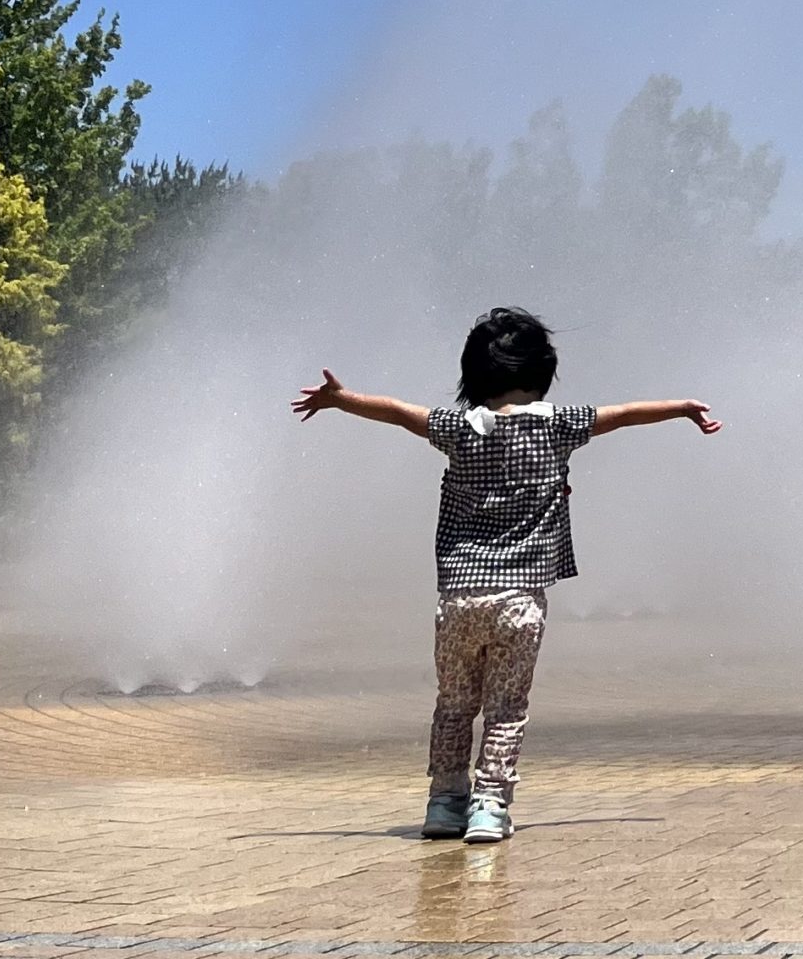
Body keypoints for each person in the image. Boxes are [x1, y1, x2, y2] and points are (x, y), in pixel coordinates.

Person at [291, 304, 720, 843]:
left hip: (459, 599)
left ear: (472, 376)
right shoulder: (560, 425)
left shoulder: (458, 428)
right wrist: (682, 408)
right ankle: (490, 806)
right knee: (506, 710)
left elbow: (399, 411)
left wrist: (340, 399)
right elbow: (627, 413)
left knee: (453, 704)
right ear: (542, 372)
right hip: (519, 601)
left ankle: (445, 804)